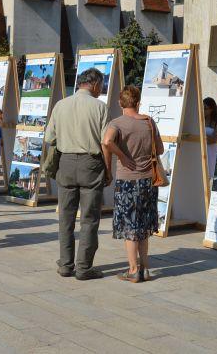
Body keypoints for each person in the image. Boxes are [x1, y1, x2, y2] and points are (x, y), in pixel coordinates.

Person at [44, 68, 110, 281]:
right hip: (91, 163)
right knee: (89, 218)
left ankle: (65, 264)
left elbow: (49, 138)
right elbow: (105, 143)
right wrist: (108, 170)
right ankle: (83, 267)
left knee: (66, 217)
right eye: (101, 85)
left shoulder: (61, 105)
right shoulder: (100, 107)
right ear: (94, 84)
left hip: (66, 162)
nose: (101, 89)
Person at [102, 85, 163, 283]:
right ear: (138, 102)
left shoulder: (117, 122)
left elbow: (107, 141)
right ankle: (145, 268)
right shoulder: (149, 122)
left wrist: (121, 156)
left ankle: (133, 269)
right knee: (143, 226)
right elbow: (160, 149)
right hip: (148, 180)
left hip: (127, 180)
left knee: (130, 226)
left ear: (120, 103)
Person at [203, 97, 217, 177]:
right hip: (198, 152)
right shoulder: (199, 120)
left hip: (209, 153)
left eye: (205, 108)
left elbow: (214, 139)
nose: (203, 110)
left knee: (206, 176)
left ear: (212, 109)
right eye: (201, 107)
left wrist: (201, 136)